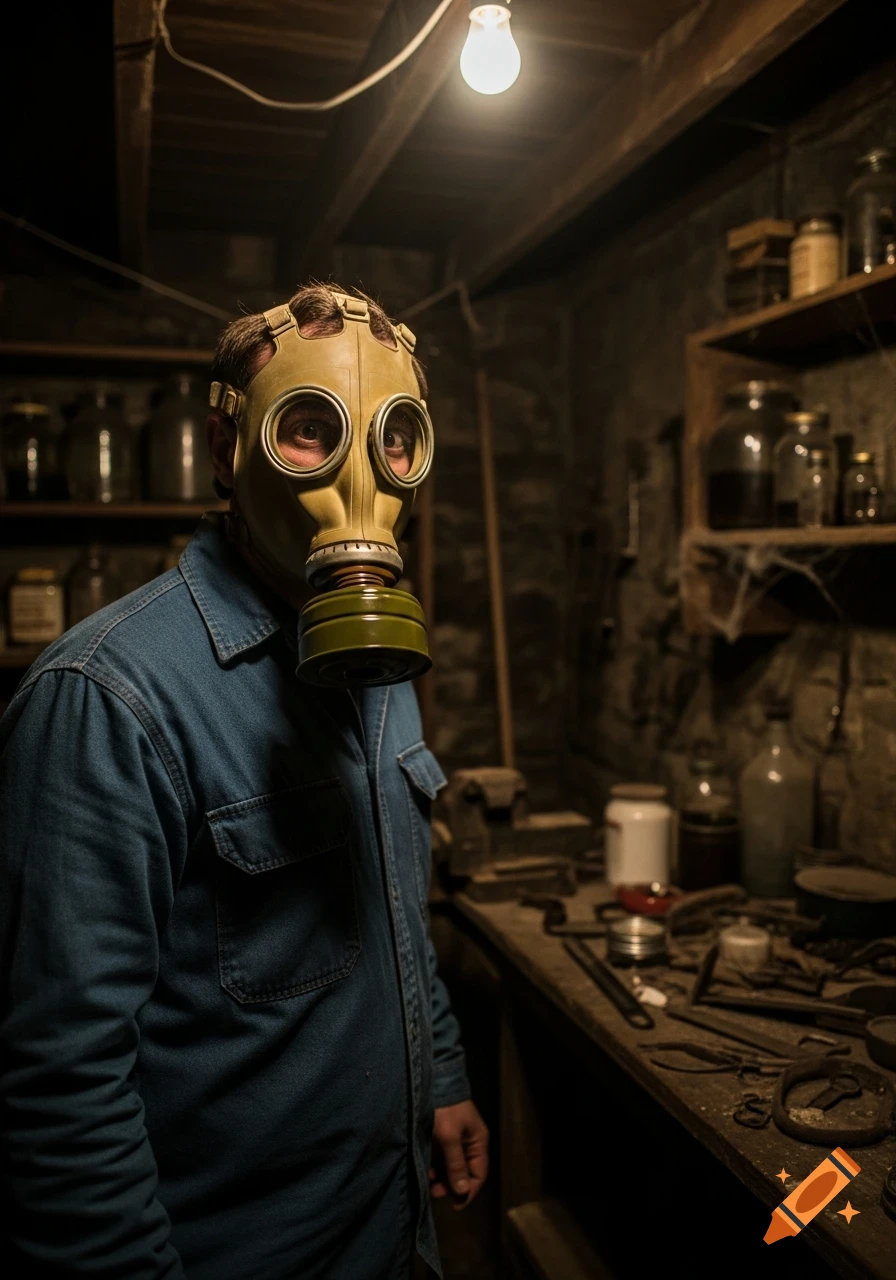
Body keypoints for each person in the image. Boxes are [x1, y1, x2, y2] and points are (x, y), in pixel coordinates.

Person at [0, 283, 488, 1279]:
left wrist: (436, 1066)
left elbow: (393, 902)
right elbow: (58, 1088)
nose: (363, 479)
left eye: (393, 439)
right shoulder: (104, 700)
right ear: (228, 448)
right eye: (309, 430)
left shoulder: (377, 664)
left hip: (390, 1234)